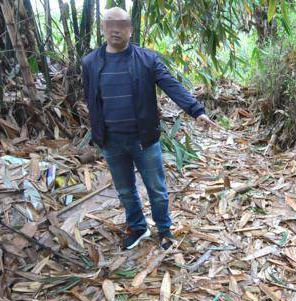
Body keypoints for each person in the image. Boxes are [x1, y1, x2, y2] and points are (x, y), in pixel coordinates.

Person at [81, 7, 219, 250]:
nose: (116, 29)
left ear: (131, 29)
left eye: (122, 24)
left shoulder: (148, 59)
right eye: (110, 23)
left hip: (143, 139)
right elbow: (92, 99)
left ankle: (164, 230)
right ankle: (137, 227)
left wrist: (196, 111)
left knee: (156, 189)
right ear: (102, 27)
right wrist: (98, 133)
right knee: (125, 190)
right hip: (111, 141)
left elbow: (172, 86)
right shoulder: (90, 62)